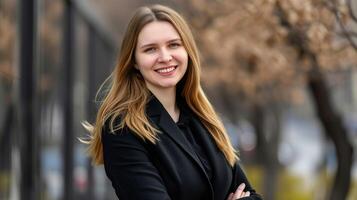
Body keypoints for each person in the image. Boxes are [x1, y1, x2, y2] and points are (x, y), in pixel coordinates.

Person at [83, 4, 262, 200]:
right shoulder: (121, 128)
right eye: (150, 49)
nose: (165, 57)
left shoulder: (203, 117)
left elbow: (251, 194)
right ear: (134, 60)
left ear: (187, 51)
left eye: (174, 45)